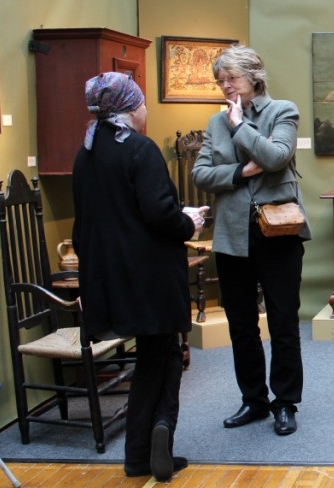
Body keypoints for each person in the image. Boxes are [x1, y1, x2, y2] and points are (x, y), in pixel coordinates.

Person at [72, 72, 206, 481]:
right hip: (150, 274)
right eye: (144, 102)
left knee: (150, 357)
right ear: (131, 107)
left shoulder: (87, 151)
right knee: (164, 355)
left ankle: (138, 451)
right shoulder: (140, 149)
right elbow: (159, 213)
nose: (146, 108)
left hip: (108, 276)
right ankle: (160, 430)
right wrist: (190, 224)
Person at [192, 45, 310, 436]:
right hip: (231, 236)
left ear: (254, 77)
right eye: (220, 81)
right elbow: (201, 175)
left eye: (232, 79)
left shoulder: (283, 111)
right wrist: (242, 172)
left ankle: (285, 402)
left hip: (278, 234)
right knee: (241, 325)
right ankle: (254, 401)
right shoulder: (213, 122)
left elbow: (276, 158)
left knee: (282, 321)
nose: (225, 86)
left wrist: (241, 125)